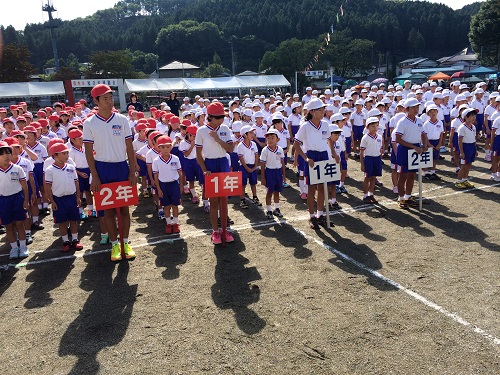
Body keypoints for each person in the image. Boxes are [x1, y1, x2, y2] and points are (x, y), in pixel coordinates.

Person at [83, 84, 137, 262]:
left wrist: (132, 170)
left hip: (121, 167)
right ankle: (115, 245)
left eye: (110, 97)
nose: (109, 101)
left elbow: (129, 147)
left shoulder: (122, 120)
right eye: (105, 98)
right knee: (107, 211)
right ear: (96, 100)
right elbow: (88, 152)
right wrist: (95, 174)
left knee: (124, 209)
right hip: (102, 168)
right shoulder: (89, 123)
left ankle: (126, 243)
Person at [195, 102, 235, 245]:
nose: (221, 119)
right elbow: (198, 154)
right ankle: (215, 231)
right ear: (210, 117)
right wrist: (205, 169)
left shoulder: (224, 128)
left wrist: (218, 139)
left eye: (223, 116)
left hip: (223, 163)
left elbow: (230, 148)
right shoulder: (201, 131)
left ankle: (225, 229)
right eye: (218, 117)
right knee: (213, 202)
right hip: (210, 165)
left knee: (224, 201)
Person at [293, 98, 331, 229]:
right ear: (313, 112)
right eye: (320, 110)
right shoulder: (305, 126)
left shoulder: (325, 124)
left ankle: (320, 214)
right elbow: (296, 144)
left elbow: (328, 141)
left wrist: (333, 155)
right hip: (312, 157)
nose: (323, 112)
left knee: (322, 187)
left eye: (323, 109)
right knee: (311, 188)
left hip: (323, 156)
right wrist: (306, 158)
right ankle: (312, 216)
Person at [44, 143, 84, 252]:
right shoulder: (50, 170)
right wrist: (52, 201)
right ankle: (66, 241)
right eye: (64, 153)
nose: (67, 155)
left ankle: (75, 240)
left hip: (71, 198)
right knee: (61, 221)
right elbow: (47, 187)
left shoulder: (71, 167)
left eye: (67, 153)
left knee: (74, 220)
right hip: (59, 199)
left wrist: (78, 197)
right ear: (55, 155)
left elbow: (76, 183)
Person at [394, 98, 431, 209]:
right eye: (413, 107)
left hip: (416, 150)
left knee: (412, 175)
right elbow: (398, 139)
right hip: (405, 150)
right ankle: (401, 198)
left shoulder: (419, 120)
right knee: (403, 176)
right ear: (406, 109)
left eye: (417, 107)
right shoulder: (402, 122)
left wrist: (424, 145)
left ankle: (408, 197)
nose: (416, 109)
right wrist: (414, 147)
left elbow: (423, 134)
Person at [0, 141, 30, 259]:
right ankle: (14, 248)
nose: (6, 156)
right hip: (3, 200)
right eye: (2, 153)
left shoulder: (17, 168)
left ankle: (22, 246)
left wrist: (26, 200)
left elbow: (24, 186)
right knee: (8, 225)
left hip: (17, 198)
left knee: (19, 223)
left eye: (8, 152)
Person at [152, 136, 183, 234]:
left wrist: (181, 185)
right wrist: (159, 188)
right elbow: (156, 176)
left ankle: (176, 224)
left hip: (174, 184)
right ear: (159, 148)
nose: (165, 149)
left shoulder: (175, 158)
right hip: (163, 185)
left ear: (171, 147)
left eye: (167, 147)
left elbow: (180, 173)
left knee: (175, 205)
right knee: (166, 206)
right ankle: (169, 224)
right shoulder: (156, 161)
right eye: (162, 147)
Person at [68, 128, 96, 219]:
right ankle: (80, 212)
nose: (81, 140)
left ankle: (91, 210)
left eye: (82, 138)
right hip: (78, 173)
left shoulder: (85, 149)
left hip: (88, 171)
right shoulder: (71, 152)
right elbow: (71, 167)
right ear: (72, 140)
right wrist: (79, 173)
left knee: (89, 192)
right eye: (79, 139)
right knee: (79, 193)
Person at [260, 129, 286, 219]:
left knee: (277, 191)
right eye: (268, 138)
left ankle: (277, 208)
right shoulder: (265, 150)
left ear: (278, 139)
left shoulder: (280, 149)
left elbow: (282, 162)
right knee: (269, 192)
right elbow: (262, 165)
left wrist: (284, 175)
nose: (270, 140)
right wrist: (263, 178)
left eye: (273, 137)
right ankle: (269, 210)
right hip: (269, 172)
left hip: (278, 172)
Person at [360, 117, 384, 204]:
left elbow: (380, 148)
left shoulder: (379, 137)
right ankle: (365, 195)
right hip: (368, 159)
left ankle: (371, 194)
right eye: (373, 126)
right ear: (367, 127)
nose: (375, 128)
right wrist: (362, 164)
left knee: (374, 177)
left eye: (377, 126)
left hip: (376, 158)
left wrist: (380, 157)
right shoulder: (365, 138)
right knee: (367, 177)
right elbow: (362, 152)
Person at [237, 125, 260, 209]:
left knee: (253, 183)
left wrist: (255, 166)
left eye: (252, 132)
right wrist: (247, 168)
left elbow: (256, 155)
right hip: (244, 167)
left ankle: (255, 197)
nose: (252, 134)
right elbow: (241, 158)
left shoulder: (253, 144)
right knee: (243, 184)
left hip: (252, 166)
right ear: (244, 135)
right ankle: (242, 200)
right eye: (250, 132)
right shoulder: (240, 145)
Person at [456, 108, 478, 189]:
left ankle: (465, 180)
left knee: (469, 164)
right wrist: (461, 152)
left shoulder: (473, 127)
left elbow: (474, 139)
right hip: (465, 147)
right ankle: (458, 181)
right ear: (465, 117)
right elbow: (460, 140)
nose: (473, 117)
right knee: (464, 165)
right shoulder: (462, 127)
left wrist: (475, 149)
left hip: (472, 146)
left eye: (474, 115)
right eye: (471, 115)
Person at [422, 105, 445, 180]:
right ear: (428, 114)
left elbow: (441, 133)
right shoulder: (426, 124)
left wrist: (439, 144)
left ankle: (433, 172)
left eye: (434, 111)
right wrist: (428, 144)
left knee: (435, 158)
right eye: (431, 112)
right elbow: (424, 135)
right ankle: (425, 172)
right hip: (429, 141)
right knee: (427, 157)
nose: (433, 113)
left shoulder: (440, 122)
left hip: (437, 141)